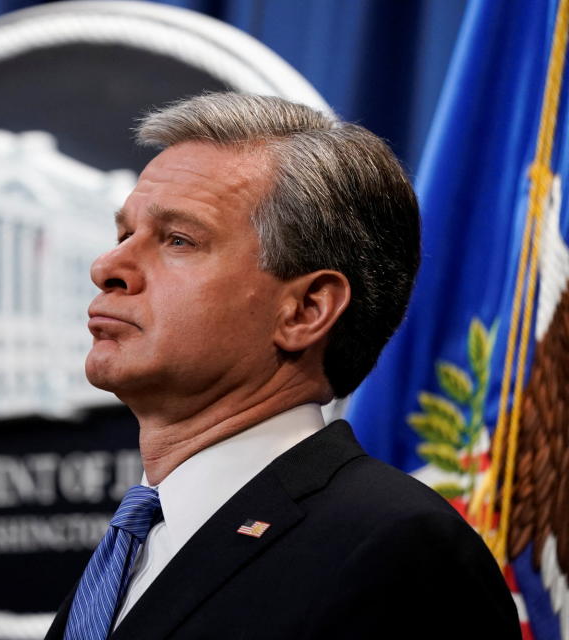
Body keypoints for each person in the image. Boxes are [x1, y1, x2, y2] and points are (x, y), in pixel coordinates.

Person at [45, 93, 520, 640]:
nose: (108, 267)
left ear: (305, 310)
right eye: (124, 234)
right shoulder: (134, 548)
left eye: (178, 239)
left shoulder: (395, 548)